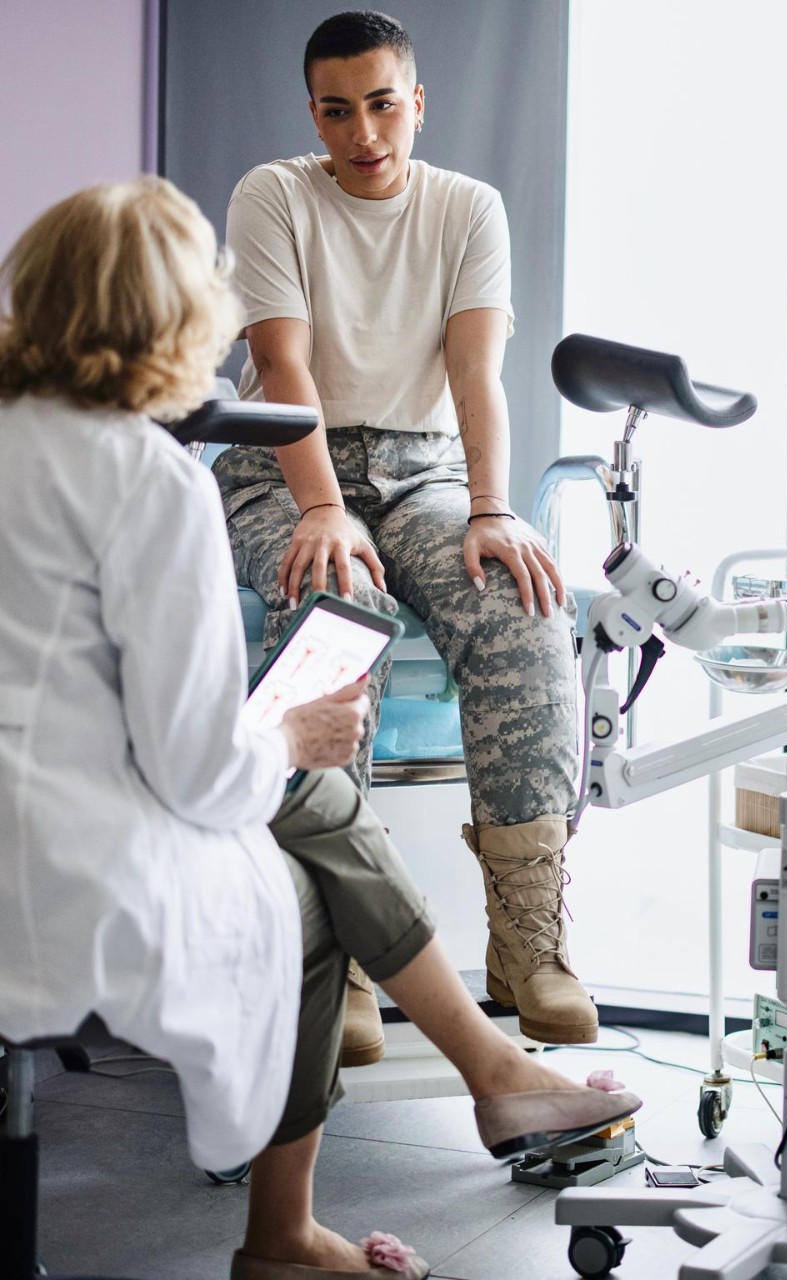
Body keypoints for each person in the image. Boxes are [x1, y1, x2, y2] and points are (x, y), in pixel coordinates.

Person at [0, 178, 639, 1279]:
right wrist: (291, 734)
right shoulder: (146, 477)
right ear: (177, 315)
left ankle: (492, 1056)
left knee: (312, 799)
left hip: (46, 786)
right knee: (307, 887)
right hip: (50, 853)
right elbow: (202, 772)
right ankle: (301, 1219)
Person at [214, 8, 595, 1053]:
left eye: (383, 105)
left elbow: (476, 373)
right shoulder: (274, 193)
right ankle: (328, 952)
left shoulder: (468, 209)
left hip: (424, 472)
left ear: (417, 103)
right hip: (286, 464)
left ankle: (528, 945)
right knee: (339, 609)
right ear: (314, 114)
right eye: (338, 111)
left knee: (521, 601)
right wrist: (322, 506)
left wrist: (490, 506)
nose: (364, 133)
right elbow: (282, 366)